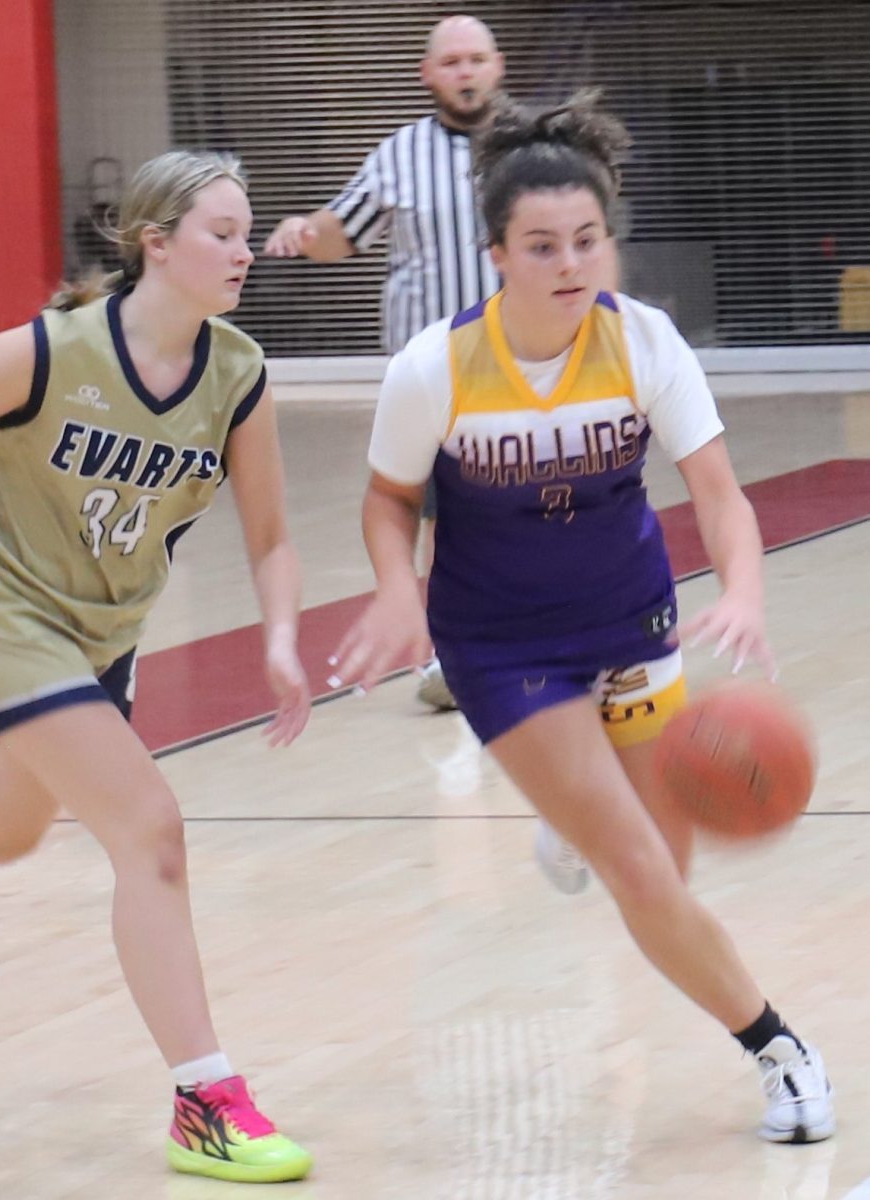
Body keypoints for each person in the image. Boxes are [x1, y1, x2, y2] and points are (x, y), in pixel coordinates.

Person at [329, 91, 835, 1145]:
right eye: (543, 244)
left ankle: (575, 822)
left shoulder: (643, 341)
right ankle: (783, 1052)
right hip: (501, 646)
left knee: (660, 871)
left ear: (611, 241)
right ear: (497, 253)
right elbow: (387, 500)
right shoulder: (437, 368)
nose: (570, 263)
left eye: (588, 240)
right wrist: (393, 590)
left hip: (630, 624)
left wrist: (739, 587)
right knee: (644, 874)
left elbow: (718, 489)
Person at [0, 150, 313, 1184]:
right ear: (156, 245)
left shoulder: (237, 375)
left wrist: (276, 638)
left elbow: (270, 533)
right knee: (151, 829)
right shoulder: (48, 353)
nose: (244, 250)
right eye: (222, 232)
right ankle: (205, 1100)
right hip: (6, 618)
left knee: (7, 829)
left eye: (249, 231)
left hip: (102, 637)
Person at [264, 14, 506, 712]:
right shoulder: (398, 155)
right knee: (440, 519)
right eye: (451, 61)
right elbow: (343, 230)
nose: (464, 72)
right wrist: (300, 231)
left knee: (543, 507)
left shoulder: (529, 150)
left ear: (498, 68)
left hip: (524, 367)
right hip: (433, 378)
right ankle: (449, 660)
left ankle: (555, 645)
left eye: (476, 59)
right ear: (429, 76)